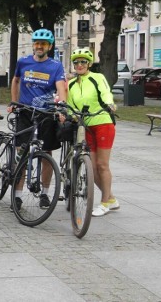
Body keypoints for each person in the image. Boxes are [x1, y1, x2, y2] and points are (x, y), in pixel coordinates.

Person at [8, 29, 67, 211]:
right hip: (26, 113)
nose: (39, 46)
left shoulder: (55, 66)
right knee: (22, 153)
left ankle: (44, 194)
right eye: (37, 43)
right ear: (33, 45)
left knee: (47, 154)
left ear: (49, 46)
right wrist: (15, 102)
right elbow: (16, 80)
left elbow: (61, 87)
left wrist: (62, 106)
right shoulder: (23, 62)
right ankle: (17, 197)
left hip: (47, 114)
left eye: (43, 44)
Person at [66, 48, 119, 217]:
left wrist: (110, 104)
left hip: (102, 122)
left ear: (88, 64)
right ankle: (111, 198)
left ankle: (104, 203)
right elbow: (70, 106)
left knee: (102, 165)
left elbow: (106, 93)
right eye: (76, 62)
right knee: (92, 168)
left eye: (83, 62)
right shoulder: (71, 84)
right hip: (86, 126)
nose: (79, 65)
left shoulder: (97, 77)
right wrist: (70, 115)